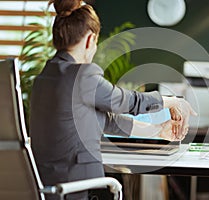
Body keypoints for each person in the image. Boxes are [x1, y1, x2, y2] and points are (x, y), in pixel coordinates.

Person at [29, 0, 197, 199]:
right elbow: (128, 102)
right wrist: (173, 101)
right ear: (91, 40)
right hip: (79, 188)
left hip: (48, 188)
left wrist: (158, 130)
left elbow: (109, 121)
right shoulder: (82, 76)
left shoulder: (45, 78)